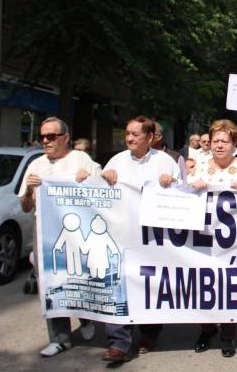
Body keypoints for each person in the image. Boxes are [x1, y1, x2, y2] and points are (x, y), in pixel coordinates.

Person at [99, 115, 181, 363]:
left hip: (153, 238)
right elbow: (99, 194)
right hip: (120, 235)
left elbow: (183, 197)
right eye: (127, 133)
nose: (130, 138)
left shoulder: (165, 162)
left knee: (148, 284)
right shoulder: (116, 161)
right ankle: (119, 344)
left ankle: (149, 334)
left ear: (150, 137)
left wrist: (172, 183)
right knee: (118, 284)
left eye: (135, 134)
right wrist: (104, 178)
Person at [18, 117, 99, 357]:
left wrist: (90, 178)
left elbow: (103, 189)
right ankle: (59, 338)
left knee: (82, 277)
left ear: (65, 138)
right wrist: (30, 191)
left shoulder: (80, 159)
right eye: (43, 136)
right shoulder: (35, 165)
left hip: (79, 230)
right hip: (46, 232)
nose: (45, 141)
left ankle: (86, 318)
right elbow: (24, 205)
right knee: (51, 283)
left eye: (51, 136)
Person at [188, 119, 237, 358]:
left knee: (230, 286)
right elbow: (181, 196)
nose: (219, 145)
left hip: (236, 241)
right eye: (216, 140)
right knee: (204, 285)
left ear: (233, 144)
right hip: (203, 239)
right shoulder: (198, 166)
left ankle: (228, 335)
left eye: (225, 141)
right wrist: (191, 186)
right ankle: (206, 330)